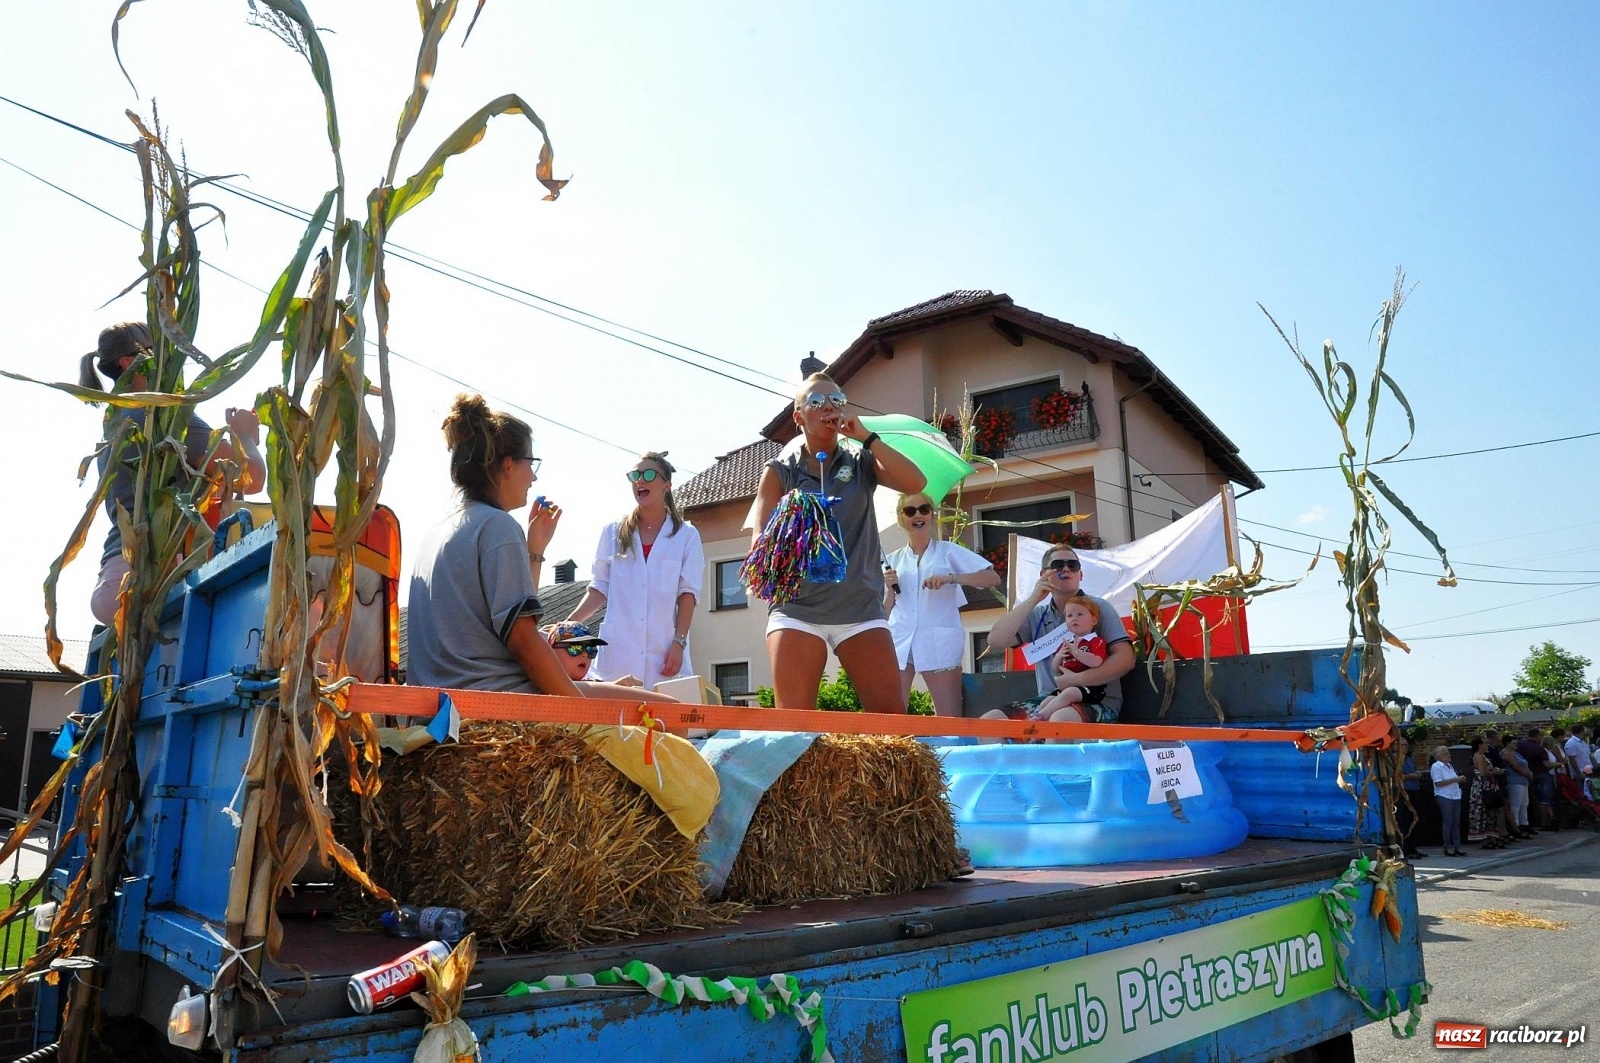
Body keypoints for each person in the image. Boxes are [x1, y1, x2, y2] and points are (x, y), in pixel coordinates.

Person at [407, 394, 673, 705]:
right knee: (671, 713)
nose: (534, 476)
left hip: (441, 703)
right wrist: (579, 708)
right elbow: (522, 640)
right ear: (508, 465)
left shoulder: (437, 534)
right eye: (531, 463)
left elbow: (507, 623)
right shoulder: (498, 526)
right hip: (494, 699)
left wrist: (534, 551)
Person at [751, 374, 926, 712]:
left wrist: (867, 438)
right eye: (816, 402)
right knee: (794, 728)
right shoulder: (779, 471)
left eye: (837, 400)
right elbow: (759, 545)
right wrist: (796, 521)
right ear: (799, 416)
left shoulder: (860, 461)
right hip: (797, 609)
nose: (828, 407)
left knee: (893, 725)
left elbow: (916, 482)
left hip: (860, 608)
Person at [81, 322, 266, 625]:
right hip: (153, 576)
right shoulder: (163, 417)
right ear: (129, 363)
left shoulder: (116, 425)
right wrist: (244, 435)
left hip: (114, 577)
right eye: (158, 349)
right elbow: (250, 478)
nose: (171, 356)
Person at [567, 452, 704, 692]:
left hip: (664, 653)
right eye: (635, 475)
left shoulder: (686, 535)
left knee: (664, 722)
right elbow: (600, 587)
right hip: (619, 651)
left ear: (666, 485)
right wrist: (568, 623)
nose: (640, 480)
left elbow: (687, 595)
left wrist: (679, 642)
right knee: (616, 722)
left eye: (649, 474)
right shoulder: (613, 532)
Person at [983, 544, 1136, 722]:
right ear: (1043, 575)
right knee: (990, 721)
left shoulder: (1098, 608)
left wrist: (1077, 679)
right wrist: (1034, 598)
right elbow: (995, 640)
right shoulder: (1037, 615)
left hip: (1096, 699)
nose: (1066, 569)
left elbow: (1126, 659)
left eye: (1073, 565)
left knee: (1059, 720)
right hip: (1049, 699)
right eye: (1058, 565)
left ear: (1081, 574)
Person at [883, 491, 1001, 717]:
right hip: (899, 640)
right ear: (901, 518)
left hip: (938, 640)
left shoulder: (948, 551)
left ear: (932, 514)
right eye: (910, 511)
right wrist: (889, 589)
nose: (918, 515)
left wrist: (952, 578)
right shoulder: (891, 560)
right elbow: (884, 611)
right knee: (892, 717)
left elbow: (992, 578)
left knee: (949, 717)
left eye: (923, 509)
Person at [1468, 736, 1508, 849]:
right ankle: (1484, 838)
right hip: (1483, 786)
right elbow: (1482, 773)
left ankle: (1491, 837)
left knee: (1491, 812)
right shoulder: (1479, 757)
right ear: (1480, 745)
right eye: (1485, 743)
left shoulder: (1483, 756)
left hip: (1490, 785)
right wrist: (1496, 772)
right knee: (1484, 811)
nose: (1487, 745)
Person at [1430, 745, 1466, 857]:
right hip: (1444, 795)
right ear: (1440, 756)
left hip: (1455, 795)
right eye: (1446, 753)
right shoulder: (1436, 766)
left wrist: (1459, 780)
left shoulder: (1450, 766)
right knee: (1448, 821)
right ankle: (1447, 846)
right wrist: (1455, 779)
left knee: (1456, 822)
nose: (1449, 755)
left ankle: (1457, 846)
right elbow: (1438, 783)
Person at [1395, 737, 1426, 859]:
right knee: (1404, 821)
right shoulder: (1395, 760)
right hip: (1403, 792)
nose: (1405, 748)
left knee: (1414, 819)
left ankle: (1413, 848)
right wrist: (1410, 776)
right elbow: (1397, 775)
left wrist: (1417, 774)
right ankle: (1405, 849)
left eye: (1406, 745)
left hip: (1413, 791)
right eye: (1402, 745)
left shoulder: (1409, 759)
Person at [1500, 733, 1534, 838]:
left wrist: (1529, 773)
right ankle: (1516, 825)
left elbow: (1524, 764)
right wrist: (1526, 773)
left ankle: (1525, 824)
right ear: (1507, 743)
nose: (1515, 744)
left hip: (1523, 781)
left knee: (1524, 803)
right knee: (1516, 804)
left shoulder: (1516, 753)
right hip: (1514, 781)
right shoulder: (1506, 753)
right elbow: (1515, 766)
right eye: (1513, 742)